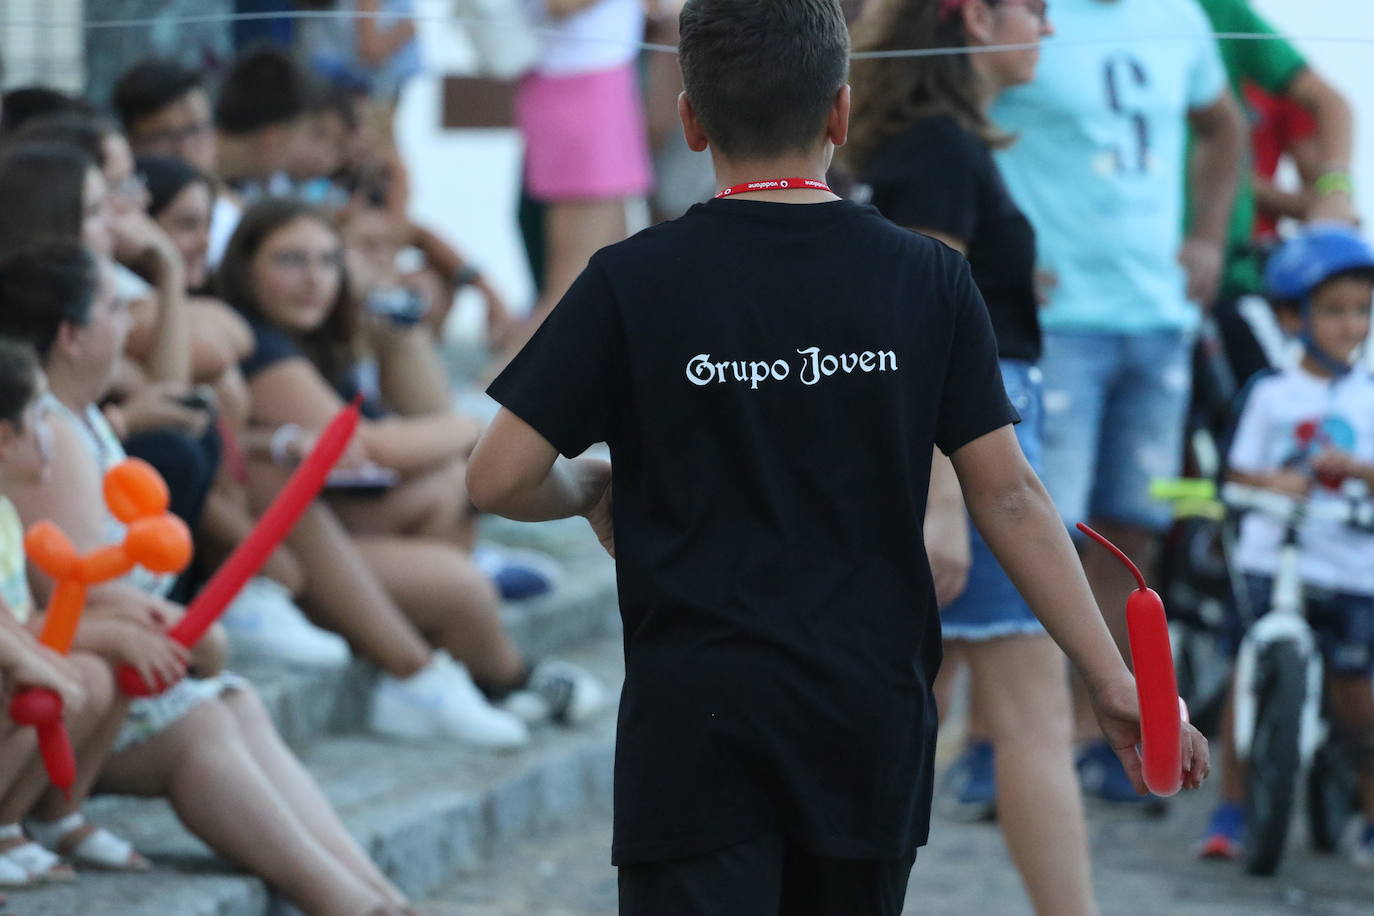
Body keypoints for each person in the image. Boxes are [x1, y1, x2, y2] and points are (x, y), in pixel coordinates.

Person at [466, 2, 1210, 912]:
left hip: (694, 732)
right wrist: (1111, 678)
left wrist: (589, 486)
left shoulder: (630, 279)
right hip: (866, 727)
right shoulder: (930, 279)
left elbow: (494, 475)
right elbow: (1011, 497)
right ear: (841, 113)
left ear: (692, 120)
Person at [0, 240, 415, 915]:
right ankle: (352, 903)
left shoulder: (75, 421)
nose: (129, 323)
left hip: (105, 668)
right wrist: (181, 636)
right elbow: (72, 591)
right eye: (113, 308)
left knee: (236, 703)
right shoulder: (48, 436)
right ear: (72, 336)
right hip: (75, 682)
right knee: (201, 729)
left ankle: (377, 894)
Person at [847, 2, 1096, 913]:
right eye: (1034, 9)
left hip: (950, 443)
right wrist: (946, 502)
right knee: (1032, 715)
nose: (1048, 30)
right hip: (974, 449)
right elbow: (928, 336)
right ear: (976, 16)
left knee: (910, 712)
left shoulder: (913, 146)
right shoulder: (942, 150)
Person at [220, 198, 605, 741]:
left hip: (340, 531)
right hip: (287, 558)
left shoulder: (323, 335)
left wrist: (398, 327)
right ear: (244, 267)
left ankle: (467, 670)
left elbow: (425, 424)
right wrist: (477, 426)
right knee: (461, 585)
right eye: (291, 261)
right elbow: (364, 445)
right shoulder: (258, 344)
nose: (314, 280)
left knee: (448, 490)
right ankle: (488, 678)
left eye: (329, 261)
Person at [989, 0, 1244, 806]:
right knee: (1043, 527)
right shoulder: (1026, 16)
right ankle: (1013, 733)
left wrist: (1209, 235)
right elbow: (956, 121)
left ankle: (1098, 728)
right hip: (1058, 322)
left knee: (1133, 532)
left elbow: (1224, 125)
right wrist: (1000, 251)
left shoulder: (1181, 16)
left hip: (1157, 317)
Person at [1198, 224, 1374, 867]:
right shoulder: (1269, 394)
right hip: (1271, 560)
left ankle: (1368, 808)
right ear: (1292, 316)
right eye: (1332, 311)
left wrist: (1357, 471)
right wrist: (1269, 479)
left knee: (1359, 694)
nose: (1350, 325)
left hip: (1349, 562)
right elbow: (1237, 470)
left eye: (1360, 310)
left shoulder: (1368, 397)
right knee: (1247, 669)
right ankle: (1231, 810)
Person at [0, 337, 145, 882]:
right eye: (42, 417)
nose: (54, 435)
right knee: (53, 681)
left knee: (94, 676)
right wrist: (106, 634)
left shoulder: (8, 516)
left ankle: (19, 823)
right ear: (3, 437)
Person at [508, 0, 653, 346]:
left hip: (599, 82)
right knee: (573, 283)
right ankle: (496, 390)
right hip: (579, 87)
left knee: (612, 273)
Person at [112, 57, 241, 267]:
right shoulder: (122, 220)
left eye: (196, 130)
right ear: (131, 143)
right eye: (165, 136)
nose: (185, 148)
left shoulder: (233, 209)